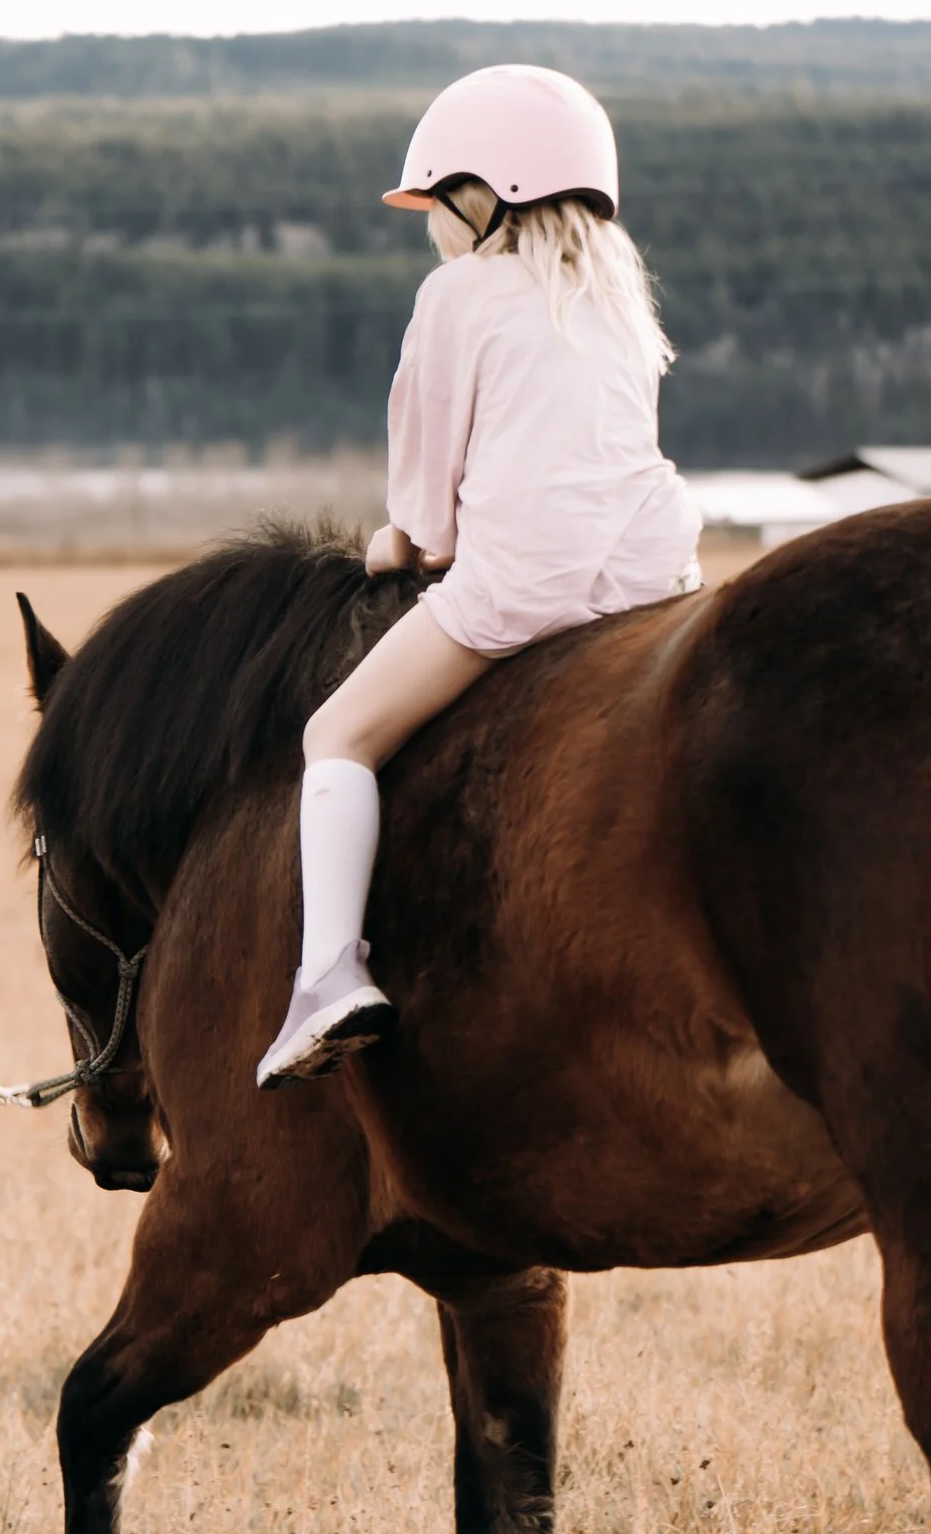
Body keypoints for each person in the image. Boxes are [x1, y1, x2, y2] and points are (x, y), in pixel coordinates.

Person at [255, 64, 699, 1089]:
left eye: (438, 204)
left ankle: (327, 975)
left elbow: (425, 502)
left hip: (525, 585)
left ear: (488, 192)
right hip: (652, 571)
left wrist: (397, 541)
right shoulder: (617, 296)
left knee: (338, 734)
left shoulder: (459, 292)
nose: (433, 229)